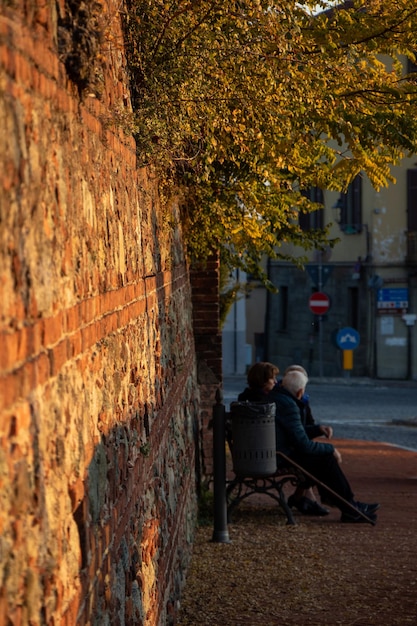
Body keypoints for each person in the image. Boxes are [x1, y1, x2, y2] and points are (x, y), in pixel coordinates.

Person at [239, 363, 379, 523]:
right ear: (300, 392)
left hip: (263, 453)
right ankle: (350, 507)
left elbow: (291, 430)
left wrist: (317, 430)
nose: (275, 381)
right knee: (325, 458)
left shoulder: (270, 399)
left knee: (322, 458)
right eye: (272, 378)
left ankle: (349, 506)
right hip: (277, 456)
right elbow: (302, 444)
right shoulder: (285, 403)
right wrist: (330, 448)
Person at [238, 362, 329, 516]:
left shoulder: (246, 399)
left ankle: (304, 496)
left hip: (250, 455)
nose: (275, 381)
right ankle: (303, 497)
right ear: (263, 380)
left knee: (309, 452)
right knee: (313, 456)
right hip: (269, 456)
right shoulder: (266, 402)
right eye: (272, 378)